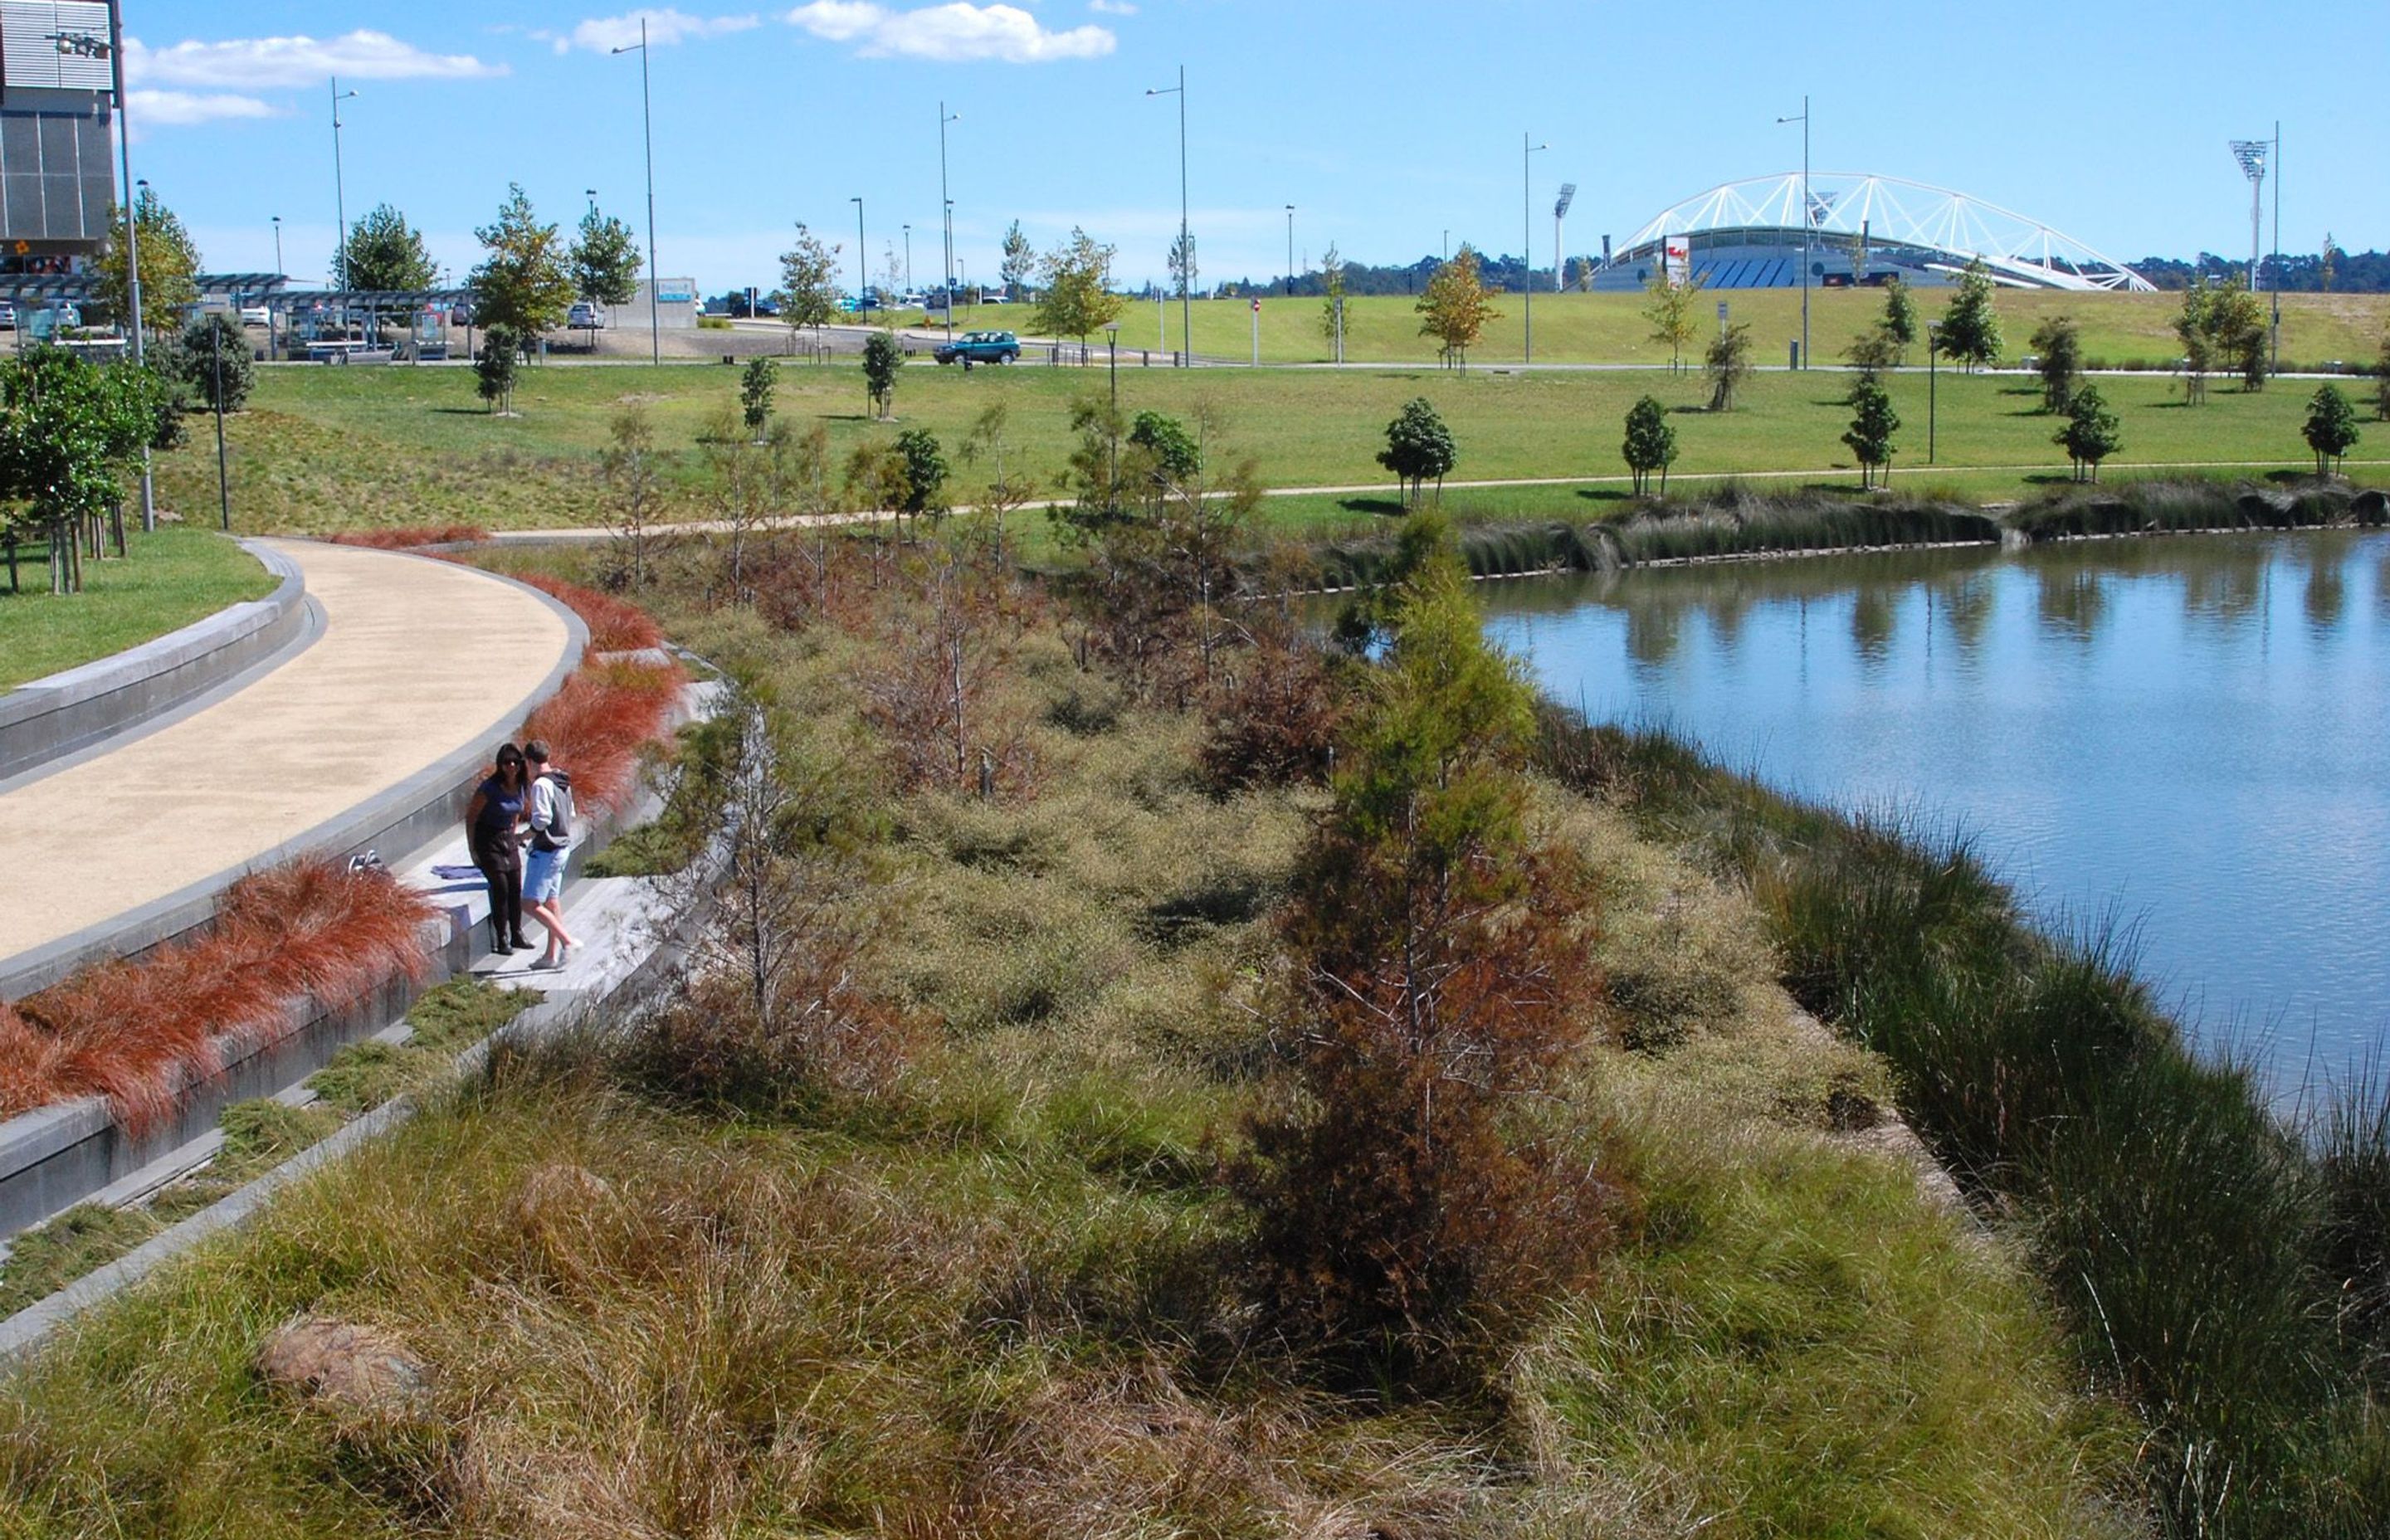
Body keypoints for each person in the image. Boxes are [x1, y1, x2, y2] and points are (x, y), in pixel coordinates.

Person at [463, 742, 531, 955]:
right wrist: (472, 849)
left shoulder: (521, 786)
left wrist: (514, 834)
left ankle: (517, 932)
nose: (511, 766)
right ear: (500, 765)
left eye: (515, 762)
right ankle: (502, 938)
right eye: (506, 762)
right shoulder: (489, 789)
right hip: (487, 838)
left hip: (507, 839)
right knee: (500, 886)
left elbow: (515, 812)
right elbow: (471, 818)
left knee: (515, 885)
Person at [522, 738, 581, 969]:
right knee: (552, 900)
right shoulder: (561, 780)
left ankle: (567, 942)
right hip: (562, 847)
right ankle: (550, 955)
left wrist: (524, 836)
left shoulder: (540, 785)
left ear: (530, 762)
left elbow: (542, 819)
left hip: (546, 850)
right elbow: (571, 812)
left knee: (529, 904)